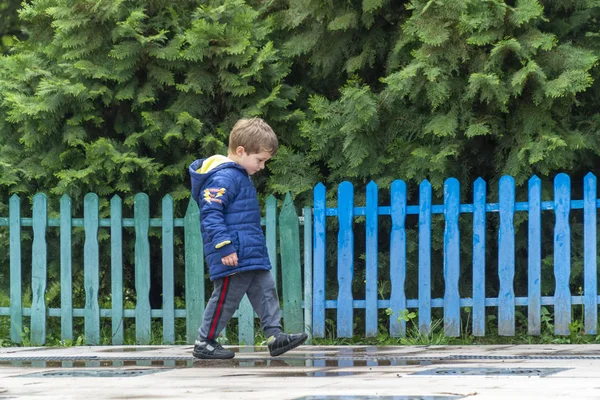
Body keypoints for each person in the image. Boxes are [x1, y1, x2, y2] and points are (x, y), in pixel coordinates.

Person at [189, 118, 308, 359]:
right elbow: (210, 213)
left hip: (250, 253)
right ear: (241, 151)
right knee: (226, 299)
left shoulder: (239, 175)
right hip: (232, 255)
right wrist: (225, 247)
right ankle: (205, 341)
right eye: (260, 160)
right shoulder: (223, 178)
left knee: (266, 290)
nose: (262, 166)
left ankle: (275, 336)